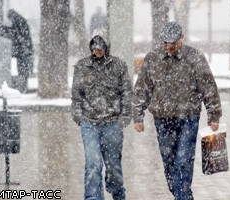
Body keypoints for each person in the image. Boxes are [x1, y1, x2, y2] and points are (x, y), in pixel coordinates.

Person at [132, 21, 222, 200]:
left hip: (188, 117)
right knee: (169, 164)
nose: (169, 47)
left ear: (181, 38)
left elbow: (208, 87)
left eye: (172, 43)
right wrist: (137, 115)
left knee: (183, 162)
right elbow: (142, 88)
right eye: (165, 43)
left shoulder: (195, 57)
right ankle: (183, 196)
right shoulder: (153, 58)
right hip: (162, 119)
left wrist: (214, 114)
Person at [71, 29, 132, 200]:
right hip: (89, 123)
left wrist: (124, 118)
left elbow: (127, 93)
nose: (96, 51)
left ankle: (118, 194)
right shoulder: (82, 67)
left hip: (113, 123)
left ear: (107, 47)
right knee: (93, 164)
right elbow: (76, 95)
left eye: (100, 47)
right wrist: (79, 118)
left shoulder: (119, 66)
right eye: (94, 47)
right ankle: (93, 197)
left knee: (113, 167)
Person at [0, 9, 34, 93]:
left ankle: (22, 89)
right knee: (24, 71)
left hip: (23, 52)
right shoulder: (21, 22)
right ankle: (23, 88)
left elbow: (15, 34)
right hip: (25, 51)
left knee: (22, 70)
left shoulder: (18, 22)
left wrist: (3, 29)